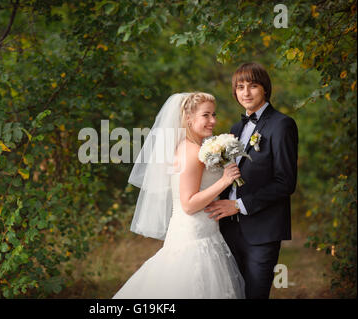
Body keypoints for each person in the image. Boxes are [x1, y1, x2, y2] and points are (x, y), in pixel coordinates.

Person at [112, 92, 245, 299]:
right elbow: (189, 204)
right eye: (206, 115)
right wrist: (224, 181)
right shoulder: (190, 152)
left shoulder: (195, 147)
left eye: (214, 114)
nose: (213, 121)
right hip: (194, 236)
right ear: (189, 118)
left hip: (206, 232)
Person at [205, 62, 298, 299]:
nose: (246, 92)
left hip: (262, 231)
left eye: (253, 86)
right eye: (240, 87)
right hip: (227, 230)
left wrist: (238, 205)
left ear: (265, 89)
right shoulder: (235, 130)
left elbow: (285, 182)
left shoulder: (282, 124)